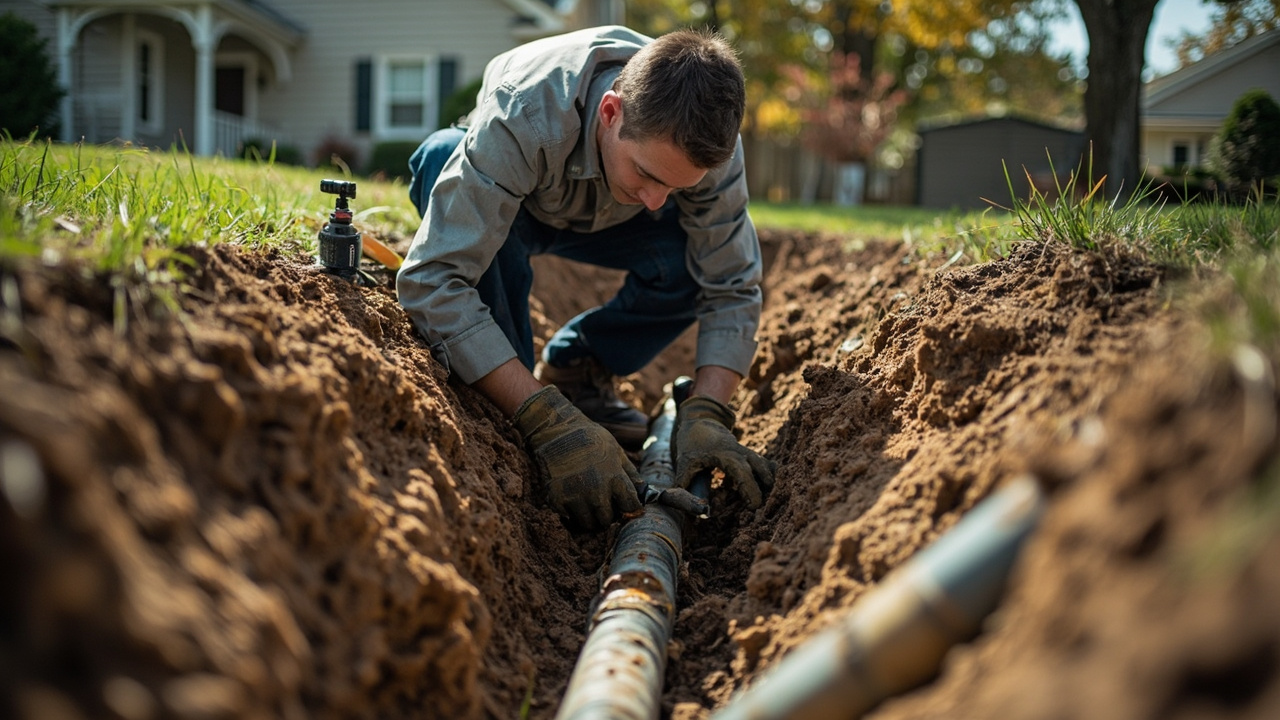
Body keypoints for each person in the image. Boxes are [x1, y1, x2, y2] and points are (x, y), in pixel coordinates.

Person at [396, 25, 774, 532]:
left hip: (612, 219)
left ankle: (577, 368)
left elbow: (731, 283)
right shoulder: (524, 113)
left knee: (698, 256)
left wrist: (706, 412)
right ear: (611, 112)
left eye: (676, 187)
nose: (660, 200)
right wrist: (544, 421)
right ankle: (521, 415)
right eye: (649, 174)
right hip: (511, 206)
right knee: (443, 153)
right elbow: (433, 278)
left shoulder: (709, 147)